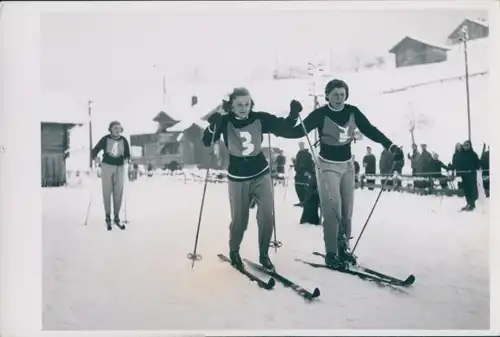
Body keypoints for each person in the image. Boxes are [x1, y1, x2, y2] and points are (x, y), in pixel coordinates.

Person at [278, 79, 403, 269]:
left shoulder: (353, 111)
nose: (339, 98)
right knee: (332, 208)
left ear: (346, 95)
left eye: (342, 94)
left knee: (346, 210)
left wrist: (390, 145)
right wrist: (293, 115)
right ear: (327, 95)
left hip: (347, 166)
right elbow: (296, 133)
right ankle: (331, 252)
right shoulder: (321, 113)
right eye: (335, 94)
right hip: (327, 166)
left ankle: (343, 248)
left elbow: (370, 130)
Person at [201, 87, 302, 271]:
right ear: (231, 106)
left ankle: (264, 254)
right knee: (240, 220)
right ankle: (234, 250)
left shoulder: (260, 118)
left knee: (267, 216)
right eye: (239, 104)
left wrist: (293, 114)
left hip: (260, 173)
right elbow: (207, 141)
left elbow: (284, 127)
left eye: (247, 104)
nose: (243, 107)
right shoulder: (224, 121)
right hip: (238, 177)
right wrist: (211, 126)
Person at [91, 121, 131, 230]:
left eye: (119, 128)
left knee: (118, 192)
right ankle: (107, 216)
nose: (117, 130)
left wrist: (127, 159)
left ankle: (116, 216)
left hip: (120, 167)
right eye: (115, 128)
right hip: (107, 166)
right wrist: (96, 158)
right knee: (107, 192)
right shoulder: (105, 139)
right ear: (110, 129)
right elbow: (94, 151)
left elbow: (127, 154)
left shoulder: (124, 140)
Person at [459, 140, 480, 211]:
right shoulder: (462, 154)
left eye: (467, 145)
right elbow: (459, 164)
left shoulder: (473, 154)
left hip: (471, 175)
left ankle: (472, 205)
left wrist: (473, 167)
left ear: (470, 146)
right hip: (464, 175)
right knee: (466, 190)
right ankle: (468, 203)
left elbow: (478, 164)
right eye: (464, 145)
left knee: (472, 190)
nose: (466, 146)